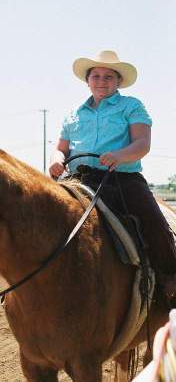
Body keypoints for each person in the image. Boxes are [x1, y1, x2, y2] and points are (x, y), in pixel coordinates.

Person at [49, 50, 176, 303]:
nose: (101, 80)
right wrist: (56, 160)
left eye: (109, 76)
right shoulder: (74, 113)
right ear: (88, 81)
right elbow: (61, 148)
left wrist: (120, 155)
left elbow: (142, 143)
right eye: (96, 75)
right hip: (77, 179)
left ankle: (170, 278)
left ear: (118, 82)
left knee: (153, 220)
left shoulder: (132, 106)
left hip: (121, 180)